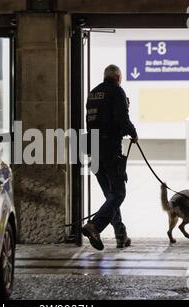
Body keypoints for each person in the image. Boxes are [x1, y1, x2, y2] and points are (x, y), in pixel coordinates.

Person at [82, 64, 138, 251]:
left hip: (93, 148)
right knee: (119, 193)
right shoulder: (117, 91)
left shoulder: (93, 93)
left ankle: (120, 234)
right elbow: (122, 118)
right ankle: (95, 226)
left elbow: (91, 121)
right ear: (117, 77)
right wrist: (133, 133)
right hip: (109, 147)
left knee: (110, 195)